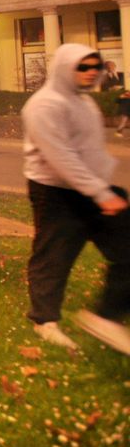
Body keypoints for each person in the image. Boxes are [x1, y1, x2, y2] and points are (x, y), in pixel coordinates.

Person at [22, 43, 130, 354]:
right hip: (55, 191)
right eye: (83, 66)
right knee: (54, 254)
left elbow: (91, 150)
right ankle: (45, 321)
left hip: (94, 189)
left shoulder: (84, 103)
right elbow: (61, 157)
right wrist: (101, 193)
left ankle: (107, 316)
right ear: (64, 68)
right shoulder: (43, 105)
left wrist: (105, 186)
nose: (91, 72)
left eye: (95, 66)